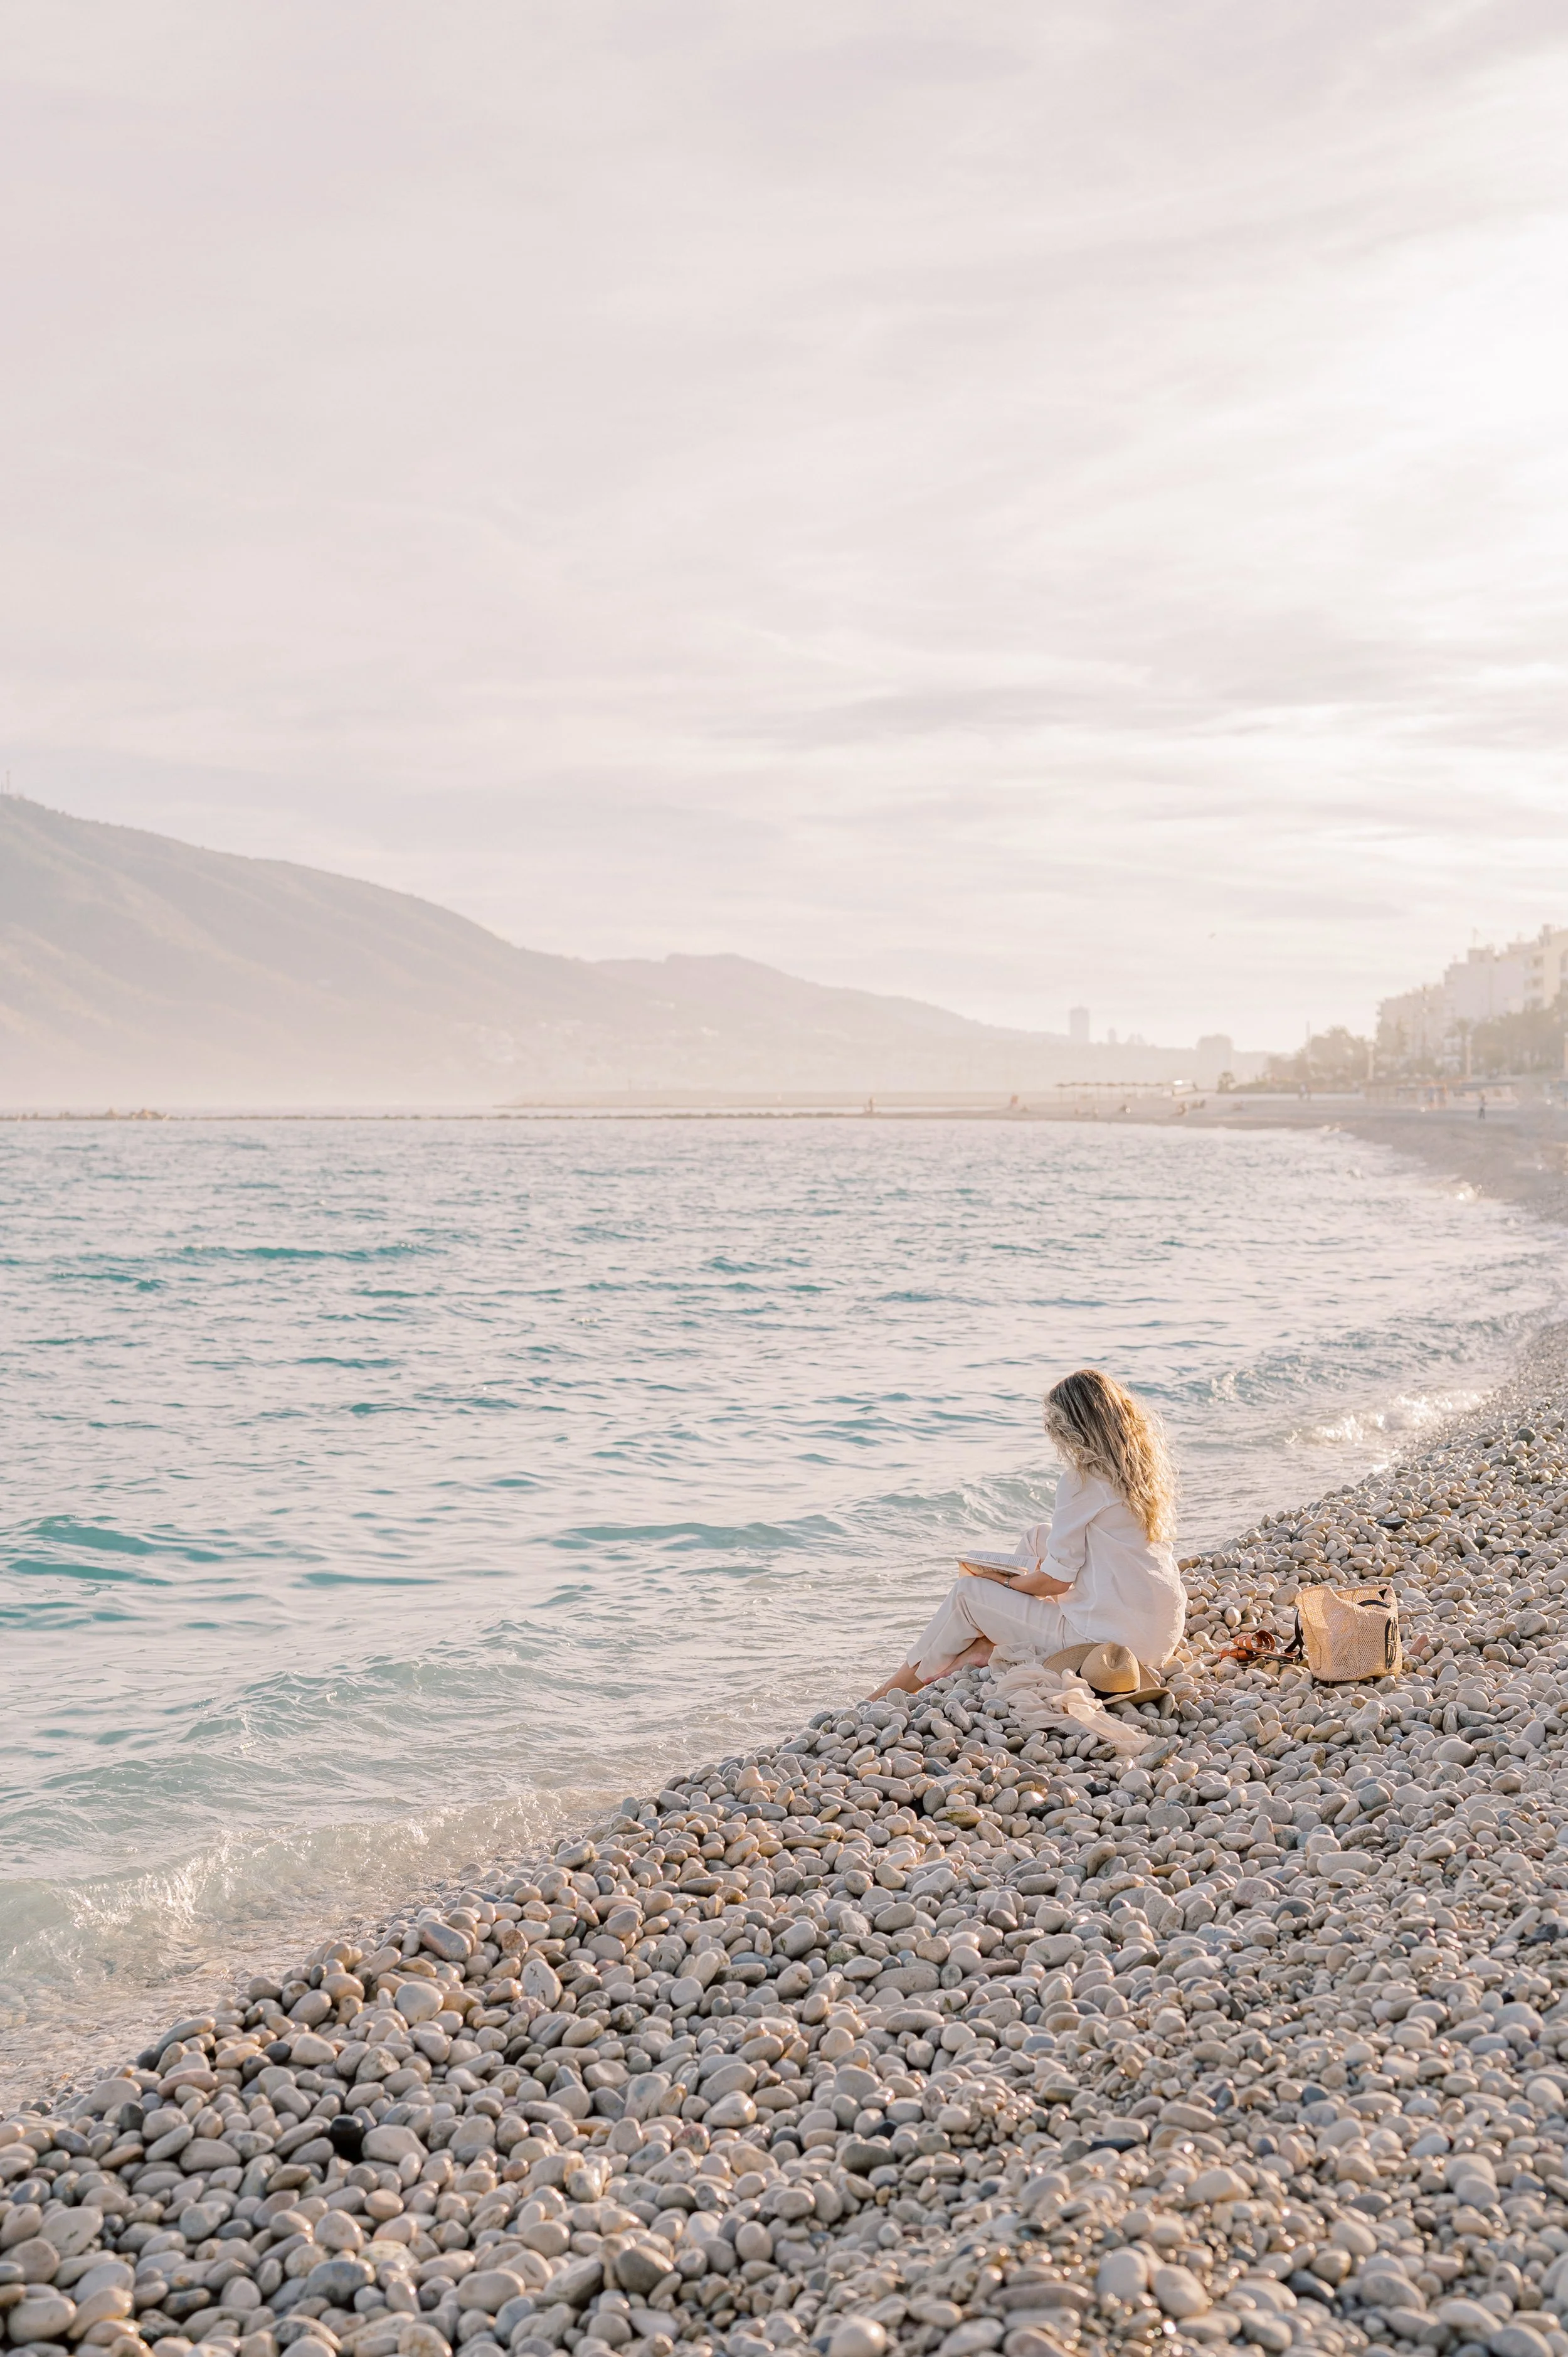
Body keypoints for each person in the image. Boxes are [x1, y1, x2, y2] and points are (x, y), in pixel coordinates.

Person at [866, 1368, 1184, 1699]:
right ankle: (990, 1640)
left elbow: (1057, 1583)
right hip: (1158, 1633)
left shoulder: (1083, 1481)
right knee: (1038, 1537)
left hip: (1110, 1650)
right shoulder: (1141, 1468)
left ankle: (892, 1691)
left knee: (967, 1594)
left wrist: (1003, 1584)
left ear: (1072, 1429)